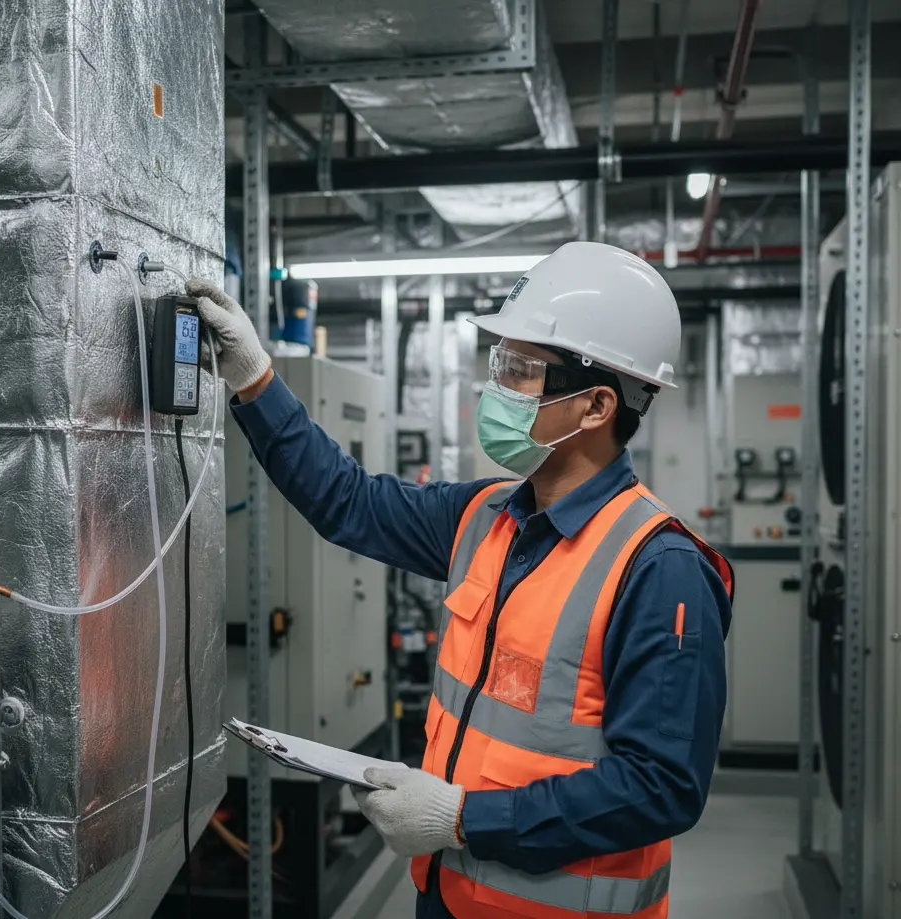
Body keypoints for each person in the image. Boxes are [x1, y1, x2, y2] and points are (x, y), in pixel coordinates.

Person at [187, 240, 733, 919]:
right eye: (498, 361)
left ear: (596, 406)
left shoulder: (660, 569)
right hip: (447, 896)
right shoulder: (483, 517)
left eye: (522, 368)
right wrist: (256, 380)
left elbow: (659, 786)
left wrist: (464, 818)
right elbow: (347, 501)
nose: (496, 386)